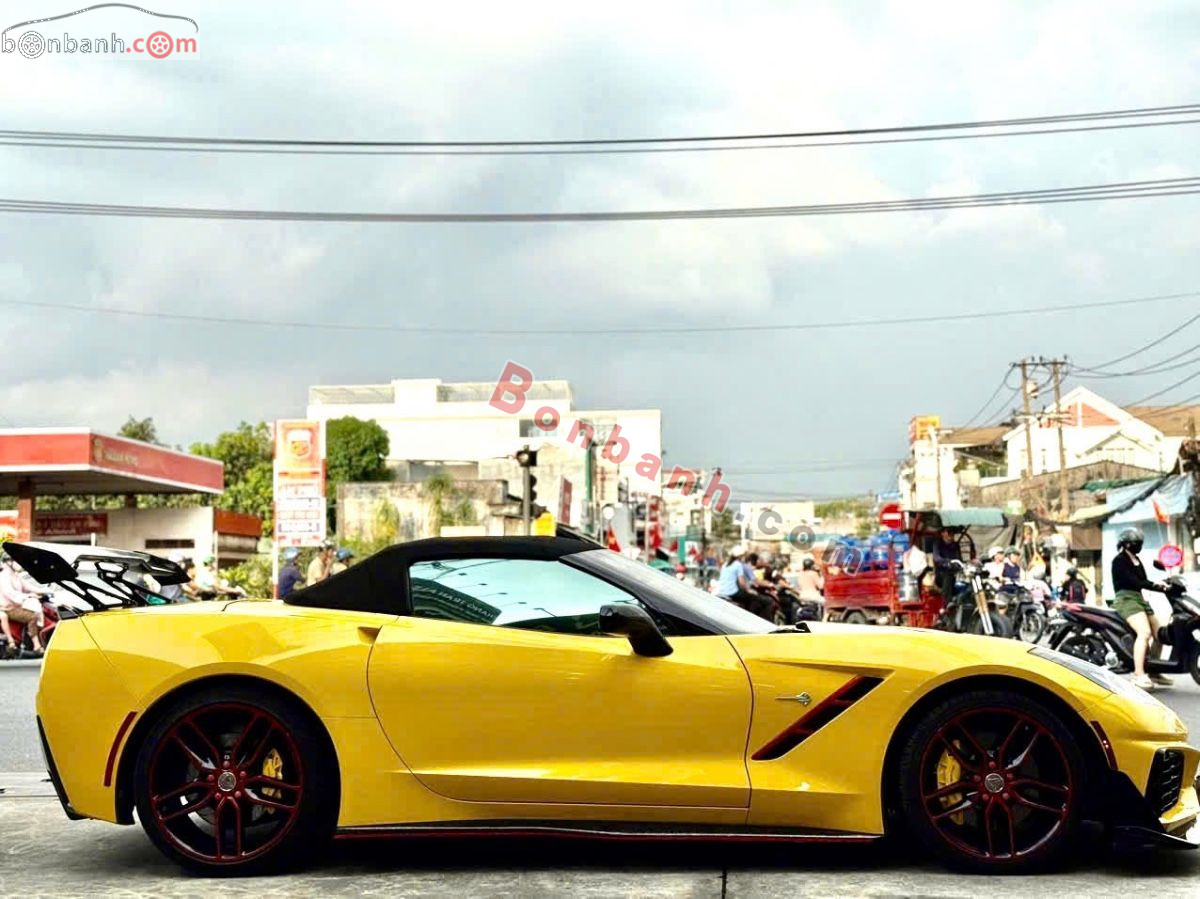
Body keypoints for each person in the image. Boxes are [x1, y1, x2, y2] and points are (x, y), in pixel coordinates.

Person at [1111, 527, 1172, 690]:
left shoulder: (1137, 559)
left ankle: (1154, 671)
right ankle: (1138, 674)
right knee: (1144, 633)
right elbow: (1134, 581)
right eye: (1135, 543)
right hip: (1126, 599)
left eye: (1140, 543)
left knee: (1161, 634)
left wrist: (1162, 585)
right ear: (1126, 544)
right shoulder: (1119, 560)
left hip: (1139, 599)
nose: (1138, 545)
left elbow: (1143, 581)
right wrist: (1156, 586)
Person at [0, 553, 46, 655]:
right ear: (8, 562)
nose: (19, 564)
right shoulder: (3, 577)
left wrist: (46, 591)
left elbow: (28, 587)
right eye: (16, 561)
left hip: (16, 606)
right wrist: (28, 596)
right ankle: (37, 646)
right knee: (32, 617)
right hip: (7, 609)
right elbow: (10, 594)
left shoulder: (16, 576)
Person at [715, 545, 772, 619]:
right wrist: (749, 590)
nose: (745, 557)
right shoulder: (738, 565)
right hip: (733, 592)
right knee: (763, 600)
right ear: (740, 556)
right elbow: (742, 582)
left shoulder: (725, 564)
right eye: (744, 555)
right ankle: (752, 620)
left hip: (722, 591)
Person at [931, 528, 962, 600]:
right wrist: (948, 562)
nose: (951, 534)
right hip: (941, 575)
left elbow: (959, 560)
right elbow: (936, 558)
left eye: (952, 532)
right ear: (943, 533)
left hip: (954, 573)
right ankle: (946, 601)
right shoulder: (937, 544)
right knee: (948, 575)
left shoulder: (955, 545)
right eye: (949, 532)